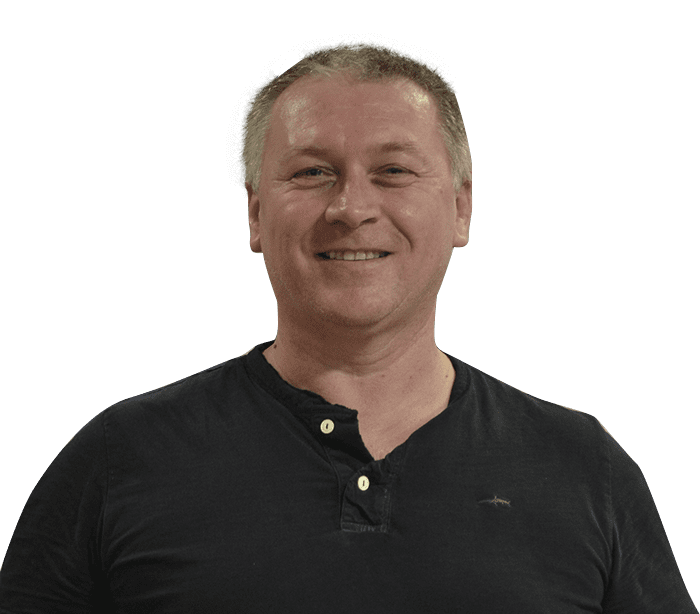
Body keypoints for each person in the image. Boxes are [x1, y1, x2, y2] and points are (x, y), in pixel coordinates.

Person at [0, 41, 695, 613]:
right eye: (312, 172)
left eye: (393, 170)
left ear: (460, 209)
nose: (351, 207)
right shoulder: (121, 459)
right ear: (255, 214)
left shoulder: (582, 468)